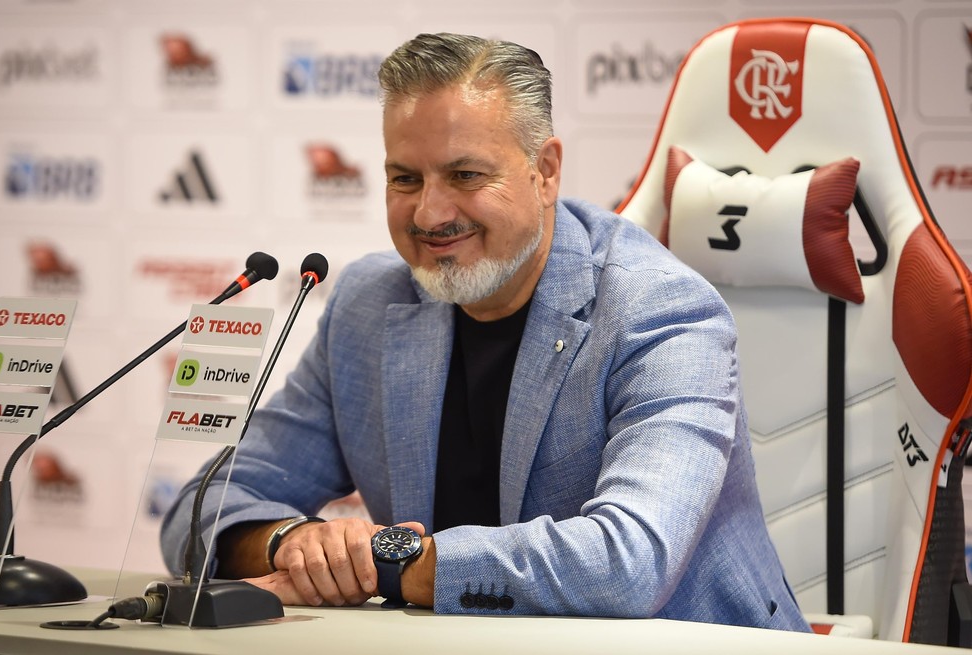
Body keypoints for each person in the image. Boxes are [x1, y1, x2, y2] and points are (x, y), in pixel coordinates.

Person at [160, 32, 810, 631]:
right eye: (405, 178)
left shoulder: (660, 308)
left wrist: (389, 562)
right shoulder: (365, 305)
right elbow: (200, 508)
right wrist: (291, 542)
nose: (429, 213)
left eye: (465, 175)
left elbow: (628, 561)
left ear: (544, 171)